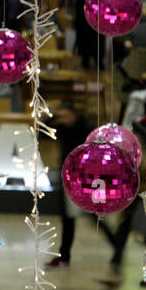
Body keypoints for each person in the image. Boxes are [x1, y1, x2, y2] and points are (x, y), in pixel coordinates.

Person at [48, 103, 94, 268]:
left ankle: (117, 246)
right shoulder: (63, 127)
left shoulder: (87, 128)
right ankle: (64, 256)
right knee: (68, 218)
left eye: (67, 116)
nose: (64, 120)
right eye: (62, 117)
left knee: (93, 216)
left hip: (84, 178)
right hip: (67, 178)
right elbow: (43, 132)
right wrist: (53, 117)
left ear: (74, 114)